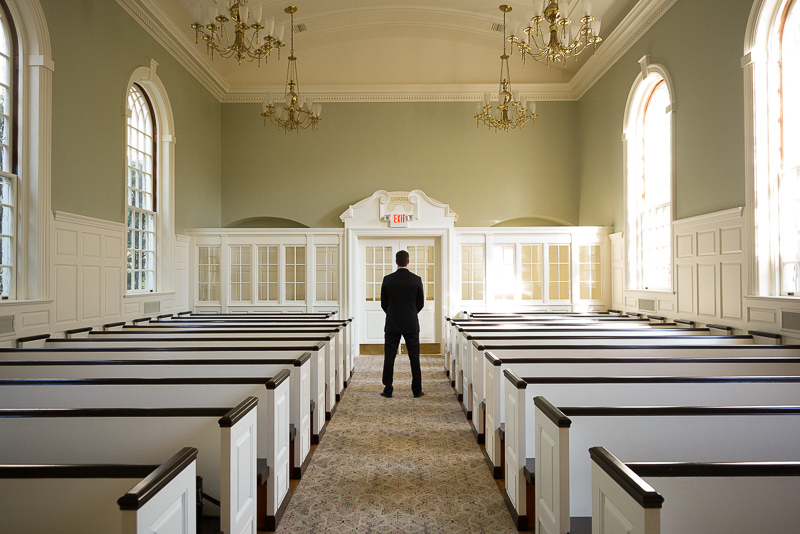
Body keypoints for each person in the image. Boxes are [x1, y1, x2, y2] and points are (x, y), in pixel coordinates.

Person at [379, 249, 425, 398]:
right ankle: (417, 390)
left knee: (390, 356)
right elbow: (420, 303)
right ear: (408, 262)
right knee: (414, 357)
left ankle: (388, 389)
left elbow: (383, 303)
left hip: (392, 322)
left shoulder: (387, 279)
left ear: (396, 262)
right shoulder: (416, 280)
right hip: (411, 323)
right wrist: (411, 313)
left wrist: (392, 313)